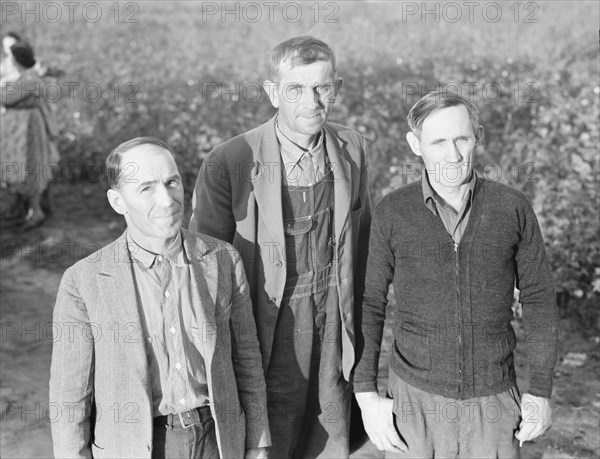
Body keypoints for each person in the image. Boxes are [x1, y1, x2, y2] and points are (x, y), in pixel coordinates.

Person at [190, 35, 372, 457]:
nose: (312, 101)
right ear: (273, 92)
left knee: (329, 421)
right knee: (270, 429)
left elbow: (360, 242)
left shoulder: (353, 148)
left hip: (332, 317)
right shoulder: (230, 160)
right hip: (266, 321)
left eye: (322, 88)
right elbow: (206, 267)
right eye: (295, 89)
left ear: (337, 89)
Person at [353, 90, 558, 458]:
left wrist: (540, 391)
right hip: (413, 402)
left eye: (462, 138)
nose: (453, 155)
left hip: (493, 402)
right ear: (415, 144)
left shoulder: (512, 208)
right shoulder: (392, 212)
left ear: (477, 135)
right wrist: (366, 393)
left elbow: (539, 300)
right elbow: (370, 302)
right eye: (438, 141)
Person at [49, 137, 271, 458]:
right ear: (117, 201)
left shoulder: (223, 259)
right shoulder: (83, 281)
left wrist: (257, 443)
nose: (167, 200)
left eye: (172, 182)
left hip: (218, 440)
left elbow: (247, 360)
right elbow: (70, 396)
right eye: (146, 188)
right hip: (134, 446)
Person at [0, 42, 59, 229]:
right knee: (21, 169)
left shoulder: (29, 79)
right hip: (19, 132)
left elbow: (6, 98)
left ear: (16, 59)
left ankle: (36, 212)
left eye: (9, 57)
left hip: (29, 130)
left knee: (32, 167)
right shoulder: (22, 77)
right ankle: (26, 211)